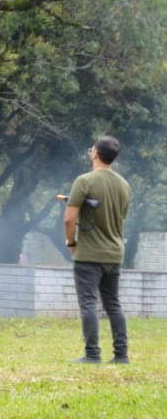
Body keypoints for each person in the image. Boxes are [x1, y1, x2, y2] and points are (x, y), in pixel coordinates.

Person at [59, 136, 131, 364]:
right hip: (115, 253)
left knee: (89, 303)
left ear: (95, 154)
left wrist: (71, 244)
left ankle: (92, 355)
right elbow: (119, 218)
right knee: (113, 304)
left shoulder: (84, 181)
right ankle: (121, 355)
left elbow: (69, 219)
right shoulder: (124, 185)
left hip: (89, 254)